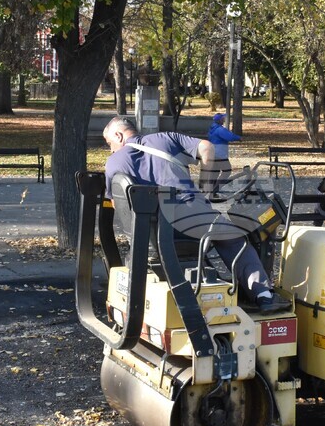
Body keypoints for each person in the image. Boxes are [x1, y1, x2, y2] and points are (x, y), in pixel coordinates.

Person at [101, 115, 290, 314]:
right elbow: (207, 148)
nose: (111, 149)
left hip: (152, 236)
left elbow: (117, 204)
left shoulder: (113, 163)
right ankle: (263, 296)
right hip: (192, 220)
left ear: (119, 135)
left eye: (109, 143)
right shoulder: (164, 139)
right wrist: (206, 187)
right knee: (234, 236)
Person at [203, 113, 241, 194]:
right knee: (227, 170)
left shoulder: (212, 128)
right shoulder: (220, 129)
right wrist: (239, 138)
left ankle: (208, 189)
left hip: (213, 154)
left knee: (215, 172)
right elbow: (230, 137)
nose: (224, 119)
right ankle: (216, 188)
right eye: (223, 118)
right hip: (220, 155)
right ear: (219, 120)